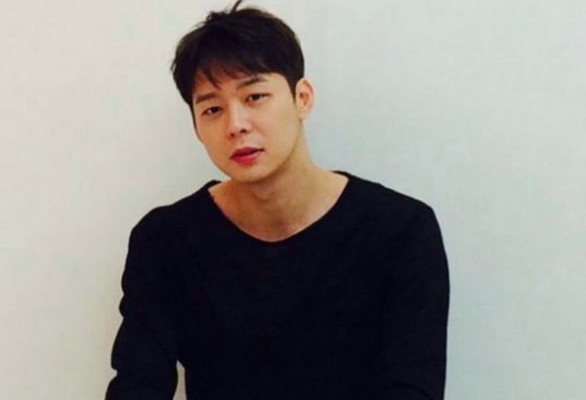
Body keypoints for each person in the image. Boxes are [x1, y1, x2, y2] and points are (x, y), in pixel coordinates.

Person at [105, 1, 449, 399]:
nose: (236, 125)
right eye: (213, 108)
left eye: (255, 96)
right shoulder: (166, 241)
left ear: (302, 97)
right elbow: (137, 384)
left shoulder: (400, 231)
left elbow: (413, 388)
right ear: (197, 127)